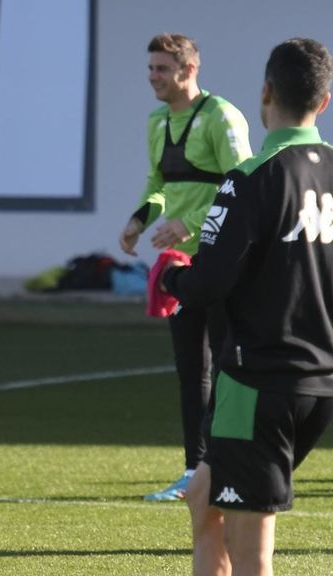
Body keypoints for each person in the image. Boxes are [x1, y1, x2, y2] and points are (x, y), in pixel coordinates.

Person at [161, 37, 333, 576]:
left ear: (265, 92)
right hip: (319, 384)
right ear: (323, 102)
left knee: (252, 556)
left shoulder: (252, 177)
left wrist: (169, 276)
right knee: (203, 501)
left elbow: (209, 281)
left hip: (257, 386)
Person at [119, 33, 253, 501]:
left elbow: (243, 187)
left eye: (161, 69)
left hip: (221, 261)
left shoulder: (221, 116)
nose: (152, 77)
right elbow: (159, 183)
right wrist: (140, 219)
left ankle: (230, 466)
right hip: (178, 264)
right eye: (150, 68)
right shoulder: (157, 121)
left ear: (188, 70)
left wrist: (189, 222)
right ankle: (194, 472)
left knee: (228, 365)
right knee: (190, 368)